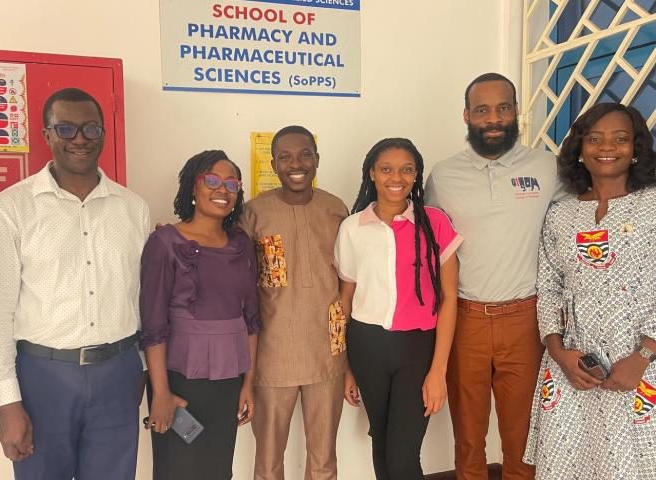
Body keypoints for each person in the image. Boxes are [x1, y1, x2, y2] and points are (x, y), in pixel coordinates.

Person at [0, 88, 150, 480]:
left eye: (90, 128)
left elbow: (140, 299)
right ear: (47, 134)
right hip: (42, 377)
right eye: (66, 128)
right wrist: (8, 401)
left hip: (118, 373)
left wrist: (138, 368)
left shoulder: (133, 208)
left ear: (103, 133)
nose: (79, 139)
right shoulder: (12, 208)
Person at [425, 72, 563, 480]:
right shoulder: (442, 175)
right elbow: (429, 244)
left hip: (525, 319)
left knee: (523, 438)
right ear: (467, 116)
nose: (493, 118)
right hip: (464, 318)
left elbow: (570, 231)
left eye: (503, 108)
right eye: (482, 110)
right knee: (468, 438)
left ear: (516, 112)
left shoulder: (546, 166)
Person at [523, 102, 656, 479]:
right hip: (573, 367)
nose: (606, 147)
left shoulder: (653, 205)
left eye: (620, 139)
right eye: (594, 139)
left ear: (636, 149)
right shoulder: (561, 214)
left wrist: (644, 355)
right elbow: (548, 287)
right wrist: (558, 352)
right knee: (569, 466)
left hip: (641, 366)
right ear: (580, 150)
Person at [335, 138, 461, 479]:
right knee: (383, 446)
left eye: (407, 169)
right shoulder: (352, 229)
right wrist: (347, 366)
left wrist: (438, 371)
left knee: (403, 457)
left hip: (417, 349)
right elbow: (345, 300)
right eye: (387, 169)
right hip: (367, 347)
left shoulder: (434, 223)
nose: (397, 177)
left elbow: (449, 297)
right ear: (372, 174)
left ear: (416, 174)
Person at [140, 150, 259, 480]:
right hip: (180, 378)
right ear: (192, 187)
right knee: (180, 467)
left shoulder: (241, 244)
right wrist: (160, 392)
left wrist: (248, 384)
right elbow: (153, 325)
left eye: (231, 184)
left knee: (218, 469)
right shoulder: (164, 243)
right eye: (212, 181)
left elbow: (251, 319)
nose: (223, 191)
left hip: (228, 378)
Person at [239, 125, 348, 480]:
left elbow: (350, 279)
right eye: (285, 157)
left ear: (317, 160)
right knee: (268, 460)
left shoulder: (335, 209)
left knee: (324, 458)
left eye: (304, 155)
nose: (295, 164)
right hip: (273, 352)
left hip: (327, 349)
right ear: (274, 164)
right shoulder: (255, 213)